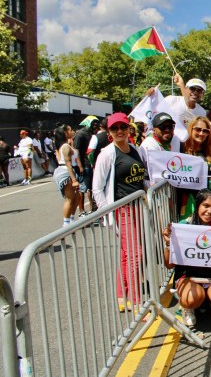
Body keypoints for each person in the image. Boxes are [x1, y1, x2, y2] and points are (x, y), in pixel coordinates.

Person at [93, 112, 148, 311]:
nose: (119, 131)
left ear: (129, 129)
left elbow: (144, 177)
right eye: (114, 128)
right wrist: (107, 212)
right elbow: (97, 188)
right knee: (136, 254)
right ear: (109, 131)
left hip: (139, 208)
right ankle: (135, 301)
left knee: (127, 253)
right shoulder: (107, 154)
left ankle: (121, 296)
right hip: (122, 210)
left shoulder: (136, 150)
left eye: (123, 127)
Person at [161, 189, 211, 326]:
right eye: (206, 206)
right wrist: (168, 244)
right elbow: (169, 265)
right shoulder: (184, 226)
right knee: (191, 298)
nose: (210, 211)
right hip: (188, 276)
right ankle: (188, 307)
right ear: (197, 205)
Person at [52, 124, 81, 226]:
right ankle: (66, 223)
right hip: (66, 172)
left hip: (68, 171)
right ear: (65, 133)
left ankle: (71, 219)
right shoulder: (65, 147)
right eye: (70, 130)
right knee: (69, 198)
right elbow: (67, 163)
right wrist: (73, 180)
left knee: (77, 197)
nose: (72, 131)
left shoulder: (66, 145)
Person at [73, 118, 100, 215]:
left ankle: (93, 209)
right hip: (84, 165)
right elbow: (76, 151)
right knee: (82, 189)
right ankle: (81, 211)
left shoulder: (90, 134)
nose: (95, 126)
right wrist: (80, 166)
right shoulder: (80, 134)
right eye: (93, 124)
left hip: (89, 164)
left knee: (91, 188)